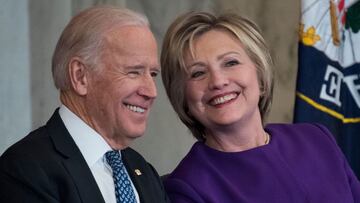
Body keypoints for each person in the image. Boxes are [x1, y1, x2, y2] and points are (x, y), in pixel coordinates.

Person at [160, 11, 360, 202]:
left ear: (261, 75)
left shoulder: (317, 139)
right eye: (197, 73)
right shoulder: (187, 188)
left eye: (230, 62)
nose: (218, 81)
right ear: (183, 99)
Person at [0, 6, 169, 203]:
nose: (151, 92)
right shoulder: (26, 169)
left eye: (153, 74)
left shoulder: (143, 171)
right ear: (80, 76)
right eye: (134, 72)